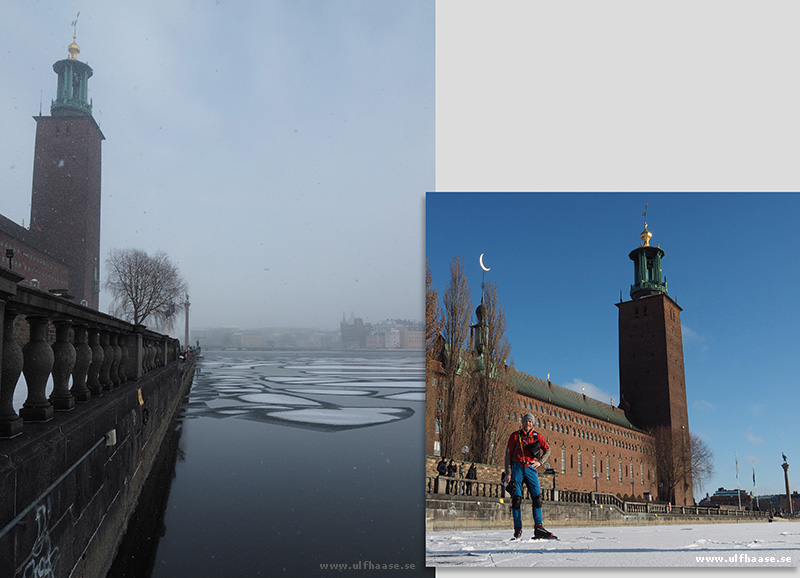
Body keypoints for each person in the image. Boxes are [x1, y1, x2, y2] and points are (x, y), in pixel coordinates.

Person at [503, 413, 555, 540]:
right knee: (516, 498)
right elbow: (508, 455)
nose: (528, 424)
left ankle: (538, 527)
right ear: (522, 422)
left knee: (537, 497)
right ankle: (517, 528)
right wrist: (508, 472)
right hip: (517, 468)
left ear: (533, 423)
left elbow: (548, 449)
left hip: (530, 468)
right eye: (526, 421)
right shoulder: (515, 436)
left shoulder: (537, 436)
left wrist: (540, 462)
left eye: (530, 422)